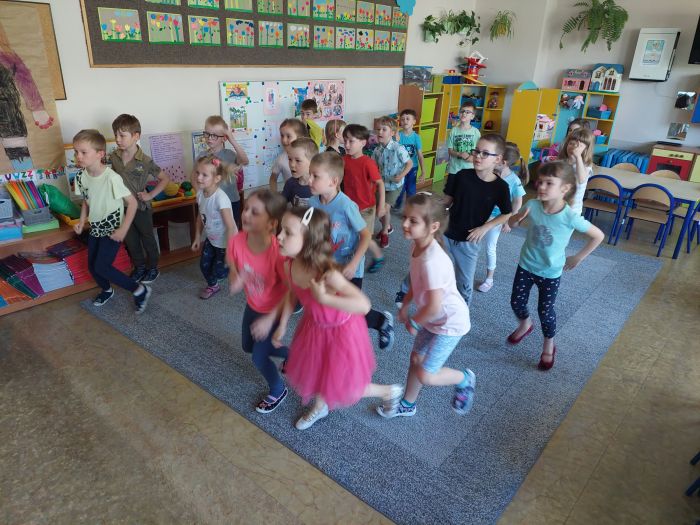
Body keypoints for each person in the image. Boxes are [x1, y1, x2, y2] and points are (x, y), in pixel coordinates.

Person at [272, 206, 402, 429]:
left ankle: (388, 391)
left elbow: (363, 305)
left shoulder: (327, 273)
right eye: (280, 230)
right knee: (318, 372)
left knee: (345, 386)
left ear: (308, 240)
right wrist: (282, 324)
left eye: (288, 232)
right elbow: (292, 292)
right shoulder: (289, 264)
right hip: (314, 327)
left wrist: (325, 298)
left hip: (342, 331)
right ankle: (320, 406)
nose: (279, 236)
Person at [378, 193, 474, 418]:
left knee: (427, 375)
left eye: (413, 221)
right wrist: (405, 303)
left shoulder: (433, 261)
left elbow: (433, 306)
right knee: (416, 359)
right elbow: (416, 280)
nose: (404, 224)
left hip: (449, 322)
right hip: (431, 317)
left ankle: (464, 379)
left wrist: (414, 322)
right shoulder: (416, 246)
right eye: (405, 217)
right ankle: (408, 405)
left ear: (433, 227)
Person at [507, 161, 604, 370]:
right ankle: (525, 324)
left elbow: (598, 236)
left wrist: (578, 257)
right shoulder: (532, 205)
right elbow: (512, 224)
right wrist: (517, 217)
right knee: (516, 302)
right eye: (540, 182)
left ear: (564, 189)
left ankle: (549, 344)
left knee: (545, 311)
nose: (541, 187)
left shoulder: (570, 216)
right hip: (526, 264)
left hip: (550, 272)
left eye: (549, 183)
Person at [308, 151, 395, 350]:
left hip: (350, 267)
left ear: (333, 181)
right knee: (330, 305)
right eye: (309, 174)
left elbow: (365, 235)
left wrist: (354, 263)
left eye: (315, 176)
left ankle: (382, 321)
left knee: (351, 310)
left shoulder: (346, 206)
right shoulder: (312, 203)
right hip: (327, 265)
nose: (309, 180)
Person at [72, 129, 151, 313]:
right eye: (76, 152)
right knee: (93, 266)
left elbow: (132, 203)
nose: (78, 156)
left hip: (113, 228)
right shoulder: (80, 177)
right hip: (95, 227)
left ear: (100, 154)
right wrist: (82, 222)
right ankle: (107, 290)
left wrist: (123, 230)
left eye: (83, 152)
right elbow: (86, 201)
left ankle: (139, 290)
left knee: (102, 266)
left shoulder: (112, 178)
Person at [226, 189, 290, 413]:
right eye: (246, 209)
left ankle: (278, 389)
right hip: (253, 305)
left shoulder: (278, 252)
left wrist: (271, 320)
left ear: (271, 224)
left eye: (255, 212)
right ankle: (292, 355)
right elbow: (232, 267)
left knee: (258, 357)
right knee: (247, 346)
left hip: (274, 310)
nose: (245, 214)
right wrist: (236, 277)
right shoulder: (236, 241)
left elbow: (290, 292)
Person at [444, 134, 513, 306]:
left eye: (485, 153)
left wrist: (485, 228)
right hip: (445, 232)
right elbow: (446, 202)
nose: (478, 156)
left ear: (497, 159)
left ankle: (461, 315)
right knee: (431, 269)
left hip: (469, 241)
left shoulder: (501, 187)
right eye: (476, 151)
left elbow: (506, 213)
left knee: (464, 284)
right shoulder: (461, 175)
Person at [109, 114, 169, 284]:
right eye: (116, 135)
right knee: (131, 240)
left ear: (136, 136)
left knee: (147, 238)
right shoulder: (114, 157)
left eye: (122, 135)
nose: (117, 139)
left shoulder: (146, 161)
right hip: (123, 207)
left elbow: (165, 179)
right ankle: (139, 267)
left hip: (141, 208)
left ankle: (153, 268)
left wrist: (150, 195)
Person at [477, 142, 529, 293]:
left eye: (496, 156)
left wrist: (508, 221)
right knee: (472, 243)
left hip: (497, 219)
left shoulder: (514, 181)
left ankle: (489, 279)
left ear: (503, 161)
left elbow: (517, 202)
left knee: (490, 247)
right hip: (480, 214)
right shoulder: (490, 172)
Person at [190, 155, 237, 299]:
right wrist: (197, 237)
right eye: (198, 173)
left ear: (217, 178)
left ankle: (237, 264)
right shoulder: (200, 194)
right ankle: (213, 286)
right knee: (204, 265)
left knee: (219, 272)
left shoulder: (220, 199)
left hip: (225, 242)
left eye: (204, 175)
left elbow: (231, 227)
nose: (199, 178)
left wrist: (230, 250)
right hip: (211, 239)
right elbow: (200, 217)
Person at [342, 124, 387, 273]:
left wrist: (381, 206)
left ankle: (378, 256)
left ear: (363, 142)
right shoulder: (344, 160)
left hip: (366, 208)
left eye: (351, 141)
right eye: (345, 140)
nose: (347, 145)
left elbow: (380, 183)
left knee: (364, 236)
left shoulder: (368, 163)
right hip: (350, 206)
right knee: (354, 234)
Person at [199, 115, 249, 228]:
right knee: (214, 230)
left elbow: (245, 161)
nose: (209, 138)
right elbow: (197, 178)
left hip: (231, 202)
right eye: (207, 134)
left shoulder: (230, 155)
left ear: (224, 138)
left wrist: (231, 138)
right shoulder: (202, 156)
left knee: (231, 231)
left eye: (214, 135)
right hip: (211, 202)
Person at [372, 116, 412, 250]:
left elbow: (409, 163)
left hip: (395, 186)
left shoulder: (398, 148)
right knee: (379, 211)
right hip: (381, 185)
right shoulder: (377, 150)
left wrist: (401, 175)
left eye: (384, 129)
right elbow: (373, 167)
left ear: (393, 133)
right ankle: (387, 226)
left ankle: (384, 233)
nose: (380, 132)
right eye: (378, 129)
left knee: (385, 209)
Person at [558, 128, 595, 215]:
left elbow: (581, 180)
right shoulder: (561, 162)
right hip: (557, 206)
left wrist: (578, 156)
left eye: (579, 146)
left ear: (586, 150)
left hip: (573, 210)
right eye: (571, 143)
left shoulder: (586, 166)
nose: (574, 147)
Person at [394, 109, 425, 210]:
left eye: (408, 119)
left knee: (411, 190)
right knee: (400, 189)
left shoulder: (416, 137)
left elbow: (420, 155)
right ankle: (397, 205)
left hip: (413, 168)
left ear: (414, 121)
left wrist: (423, 172)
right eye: (402, 119)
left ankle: (409, 208)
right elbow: (394, 152)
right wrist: (396, 138)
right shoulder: (398, 136)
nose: (405, 121)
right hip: (400, 168)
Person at [269, 118, 308, 193]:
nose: (284, 140)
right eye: (282, 135)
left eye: (288, 136)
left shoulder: (309, 155)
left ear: (300, 137)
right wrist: (274, 194)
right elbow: (273, 179)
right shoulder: (280, 159)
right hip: (290, 197)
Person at [446, 101, 480, 185]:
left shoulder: (476, 132)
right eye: (462, 111)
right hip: (454, 170)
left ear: (472, 116)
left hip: (469, 170)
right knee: (451, 191)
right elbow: (450, 150)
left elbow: (479, 150)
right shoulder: (453, 131)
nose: (464, 113)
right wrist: (459, 154)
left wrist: (471, 157)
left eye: (467, 112)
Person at [281, 137, 317, 208]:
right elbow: (280, 204)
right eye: (290, 159)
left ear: (312, 162)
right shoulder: (290, 183)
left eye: (298, 160)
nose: (292, 164)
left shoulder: (320, 185)